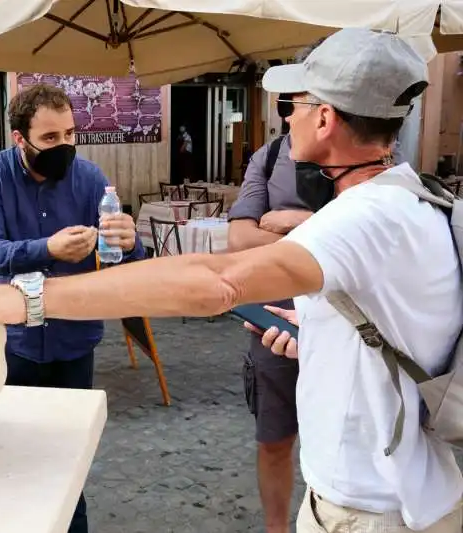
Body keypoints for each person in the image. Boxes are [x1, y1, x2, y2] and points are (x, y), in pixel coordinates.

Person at [0, 29, 463, 532]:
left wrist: (14, 299)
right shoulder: (413, 199)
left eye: (296, 103)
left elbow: (216, 278)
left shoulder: (362, 218)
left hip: (373, 506)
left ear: (325, 117)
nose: (286, 115)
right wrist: (320, 328)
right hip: (382, 491)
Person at [0, 83, 144, 533]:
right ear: (19, 139)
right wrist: (48, 248)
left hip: (73, 337)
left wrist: (130, 240)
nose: (63, 146)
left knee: (68, 458)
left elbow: (125, 260)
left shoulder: (91, 179)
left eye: (69, 134)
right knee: (5, 453)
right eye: (50, 138)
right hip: (11, 341)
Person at [226, 40, 319, 533]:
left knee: (338, 445)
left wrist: (290, 221)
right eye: (287, 104)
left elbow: (363, 239)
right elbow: (239, 237)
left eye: (296, 103)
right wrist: (311, 229)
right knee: (274, 440)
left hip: (349, 330)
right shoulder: (269, 156)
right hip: (273, 326)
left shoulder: (382, 165)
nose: (287, 116)